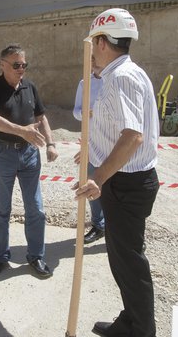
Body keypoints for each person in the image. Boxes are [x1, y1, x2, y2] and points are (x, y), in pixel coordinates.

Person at [73, 8, 160, 337]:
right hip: (126, 179)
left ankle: (141, 330)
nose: (91, 52)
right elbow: (118, 128)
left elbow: (132, 136)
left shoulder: (121, 77)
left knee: (129, 262)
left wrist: (98, 176)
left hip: (126, 183)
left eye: (94, 44)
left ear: (102, 41)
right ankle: (131, 321)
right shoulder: (124, 73)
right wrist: (92, 148)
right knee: (123, 261)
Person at [0, 44, 59, 278]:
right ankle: (1, 256)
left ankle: (36, 256)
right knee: (1, 209)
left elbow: (40, 116)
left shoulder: (30, 86)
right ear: (2, 64)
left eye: (24, 64)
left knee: (35, 208)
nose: (21, 69)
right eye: (16, 65)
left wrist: (51, 142)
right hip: (3, 154)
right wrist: (21, 131)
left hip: (29, 154)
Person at [72, 59, 105, 244]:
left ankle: (124, 231)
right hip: (91, 143)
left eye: (96, 59)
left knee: (116, 188)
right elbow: (76, 111)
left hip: (112, 143)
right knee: (91, 184)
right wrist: (87, 113)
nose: (94, 63)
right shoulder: (85, 83)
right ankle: (99, 225)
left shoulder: (113, 80)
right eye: (91, 60)